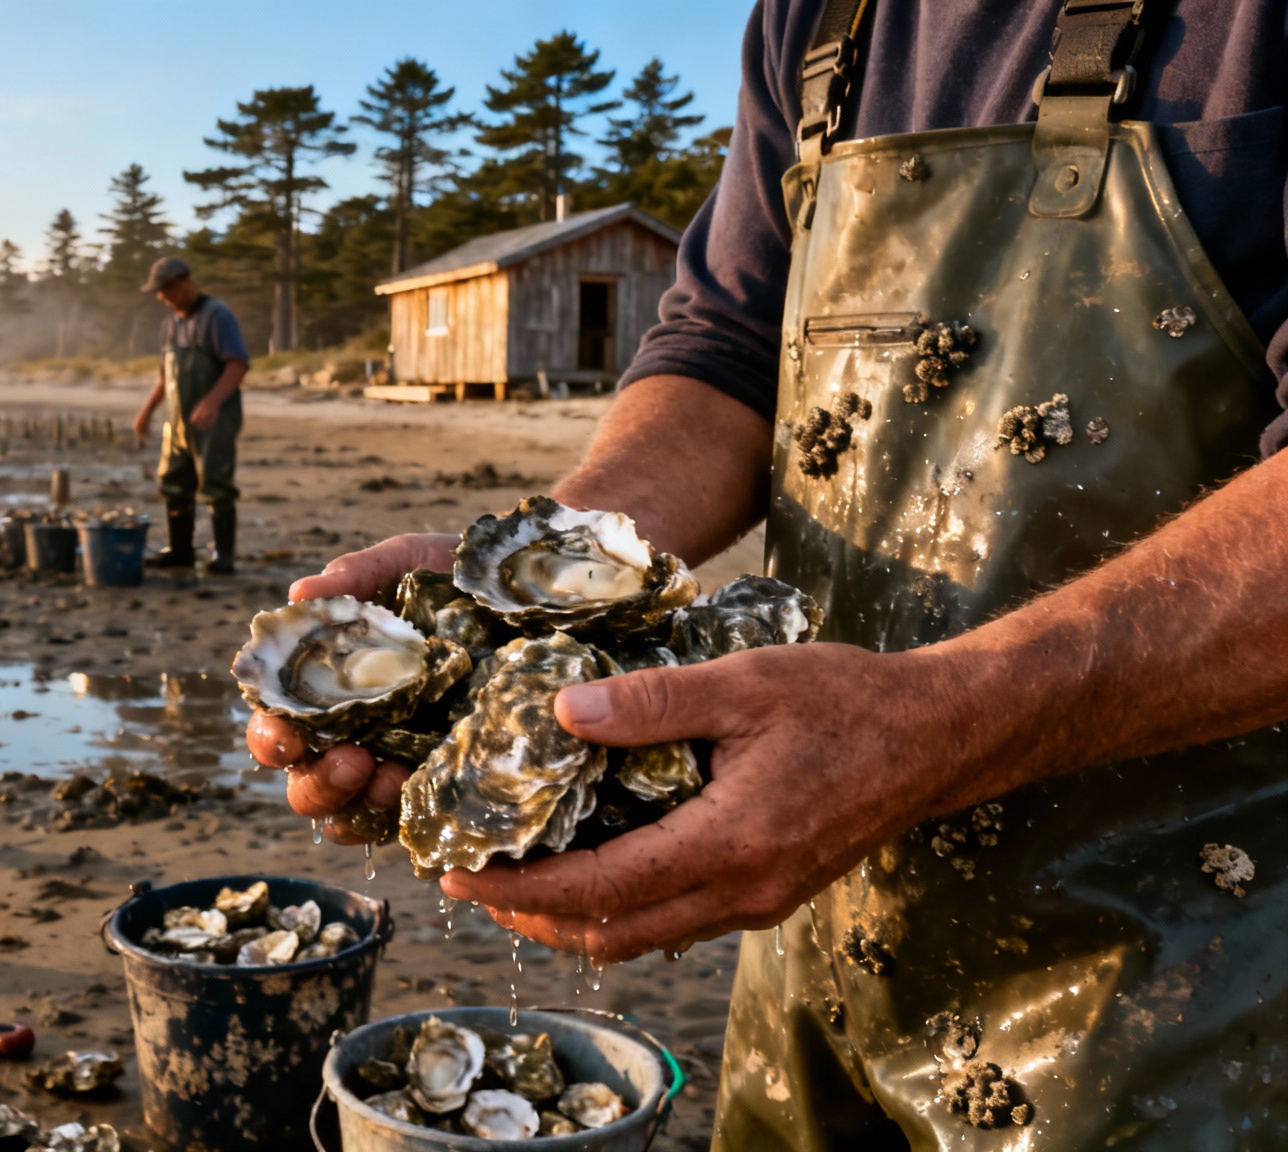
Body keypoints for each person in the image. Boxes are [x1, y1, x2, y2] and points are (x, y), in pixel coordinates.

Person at [251, 2, 1288, 1146]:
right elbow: (725, 351)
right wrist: (538, 578)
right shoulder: (821, 13)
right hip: (813, 915)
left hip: (1192, 982)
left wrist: (938, 721)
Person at [131, 256, 249, 574]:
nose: (160, 297)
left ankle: (223, 556)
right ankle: (181, 551)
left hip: (215, 420)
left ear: (183, 281)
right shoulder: (170, 324)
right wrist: (146, 413)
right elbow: (163, 377)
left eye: (164, 289)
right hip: (177, 420)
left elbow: (237, 364)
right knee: (173, 482)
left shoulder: (216, 316)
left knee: (215, 483)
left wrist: (211, 402)